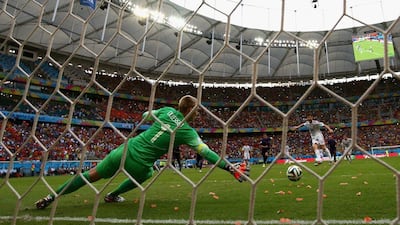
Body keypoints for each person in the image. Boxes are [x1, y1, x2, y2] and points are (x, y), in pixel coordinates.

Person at [35, 95, 250, 209]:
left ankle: (50, 196)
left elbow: (147, 114)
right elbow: (205, 151)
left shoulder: (166, 111)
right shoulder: (187, 131)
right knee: (148, 172)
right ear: (193, 112)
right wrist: (230, 168)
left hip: (124, 150)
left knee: (90, 175)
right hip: (138, 163)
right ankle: (113, 195)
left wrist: (153, 117)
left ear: (179, 106)